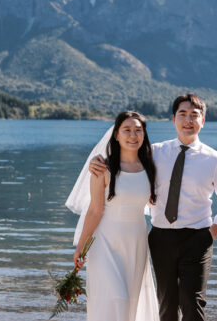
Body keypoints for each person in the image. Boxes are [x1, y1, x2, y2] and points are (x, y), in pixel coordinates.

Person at [89, 93, 217, 321]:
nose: (188, 120)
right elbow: (125, 158)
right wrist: (98, 162)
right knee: (167, 304)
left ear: (203, 121)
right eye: (183, 114)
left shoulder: (215, 160)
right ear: (173, 119)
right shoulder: (154, 152)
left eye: (194, 115)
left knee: (192, 302)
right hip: (160, 238)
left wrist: (210, 235)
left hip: (198, 238)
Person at [67, 111, 160, 321]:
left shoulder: (150, 167)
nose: (133, 135)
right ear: (116, 135)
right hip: (105, 243)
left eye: (138, 130)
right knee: (116, 300)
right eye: (127, 130)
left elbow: (151, 201)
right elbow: (94, 210)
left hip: (136, 242)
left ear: (144, 134)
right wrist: (81, 246)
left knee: (131, 304)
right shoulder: (103, 168)